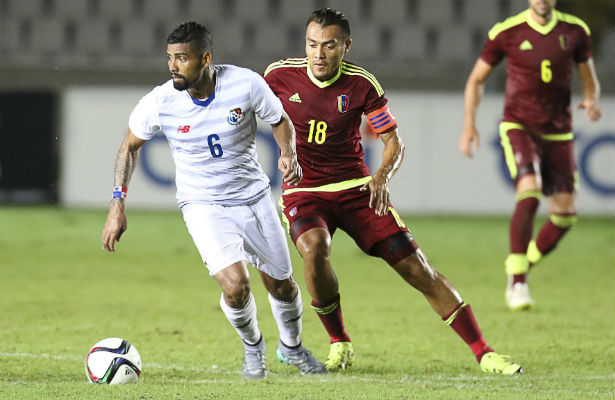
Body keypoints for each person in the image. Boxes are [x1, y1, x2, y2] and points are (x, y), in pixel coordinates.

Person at [264, 8, 522, 375]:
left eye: (329, 46)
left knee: (417, 268)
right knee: (314, 247)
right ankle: (339, 342)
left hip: (358, 189)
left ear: (346, 46)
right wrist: (284, 151)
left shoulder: (363, 84)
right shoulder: (278, 75)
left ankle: (484, 352)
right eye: (312, 45)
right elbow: (251, 110)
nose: (318, 54)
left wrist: (381, 177)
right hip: (304, 190)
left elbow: (393, 141)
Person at [101, 22, 327, 379]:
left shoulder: (246, 84)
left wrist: (288, 153)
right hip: (203, 205)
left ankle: (293, 347)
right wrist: (117, 203)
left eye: (182, 58)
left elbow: (280, 119)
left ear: (206, 58)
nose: (173, 66)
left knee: (281, 285)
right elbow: (128, 147)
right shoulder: (161, 101)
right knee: (236, 286)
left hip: (254, 198)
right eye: (170, 58)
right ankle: (254, 350)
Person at [458, 0, 601, 311]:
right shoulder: (506, 32)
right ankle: (519, 281)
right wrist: (469, 124)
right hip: (518, 125)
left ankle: (521, 263)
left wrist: (591, 100)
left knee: (564, 216)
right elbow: (476, 80)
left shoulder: (575, 31)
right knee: (530, 189)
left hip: (559, 132)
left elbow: (589, 78)